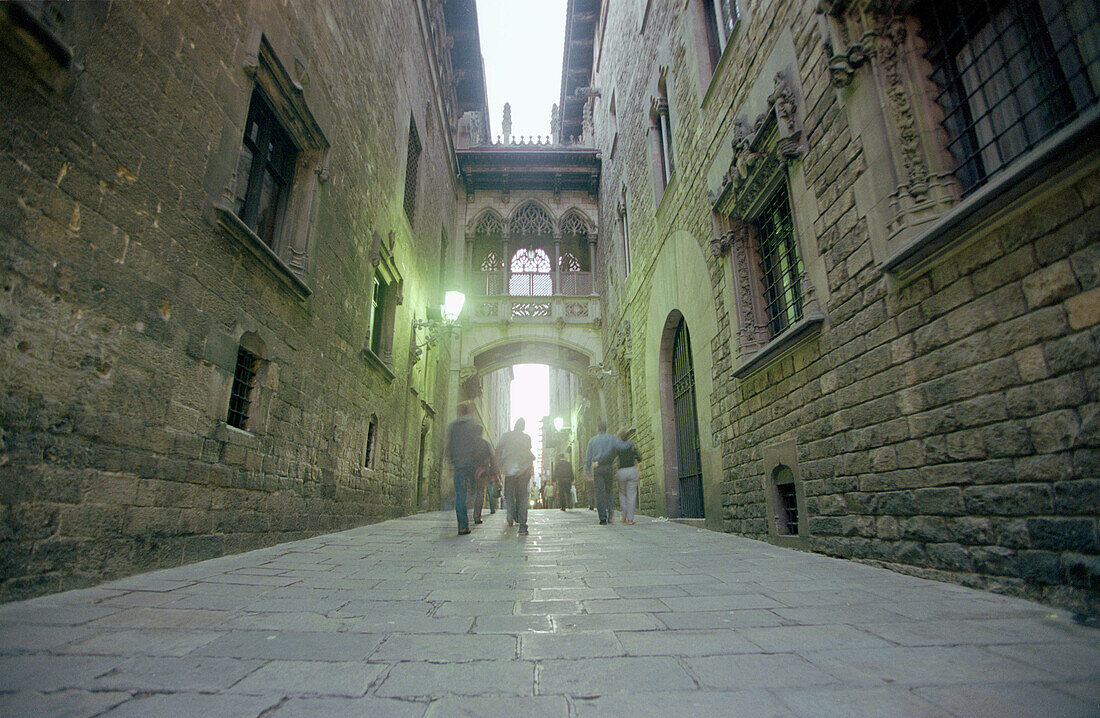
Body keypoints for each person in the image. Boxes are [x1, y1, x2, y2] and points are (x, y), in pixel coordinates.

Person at [445, 402, 482, 535]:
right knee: (472, 492)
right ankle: (468, 517)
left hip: (459, 464)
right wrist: (478, 466)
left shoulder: (453, 426)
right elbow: (477, 445)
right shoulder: (474, 425)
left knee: (460, 494)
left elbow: (450, 446)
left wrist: (451, 463)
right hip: (471, 464)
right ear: (469, 411)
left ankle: (462, 525)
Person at [584, 421, 629, 525]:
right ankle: (610, 515)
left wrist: (587, 470)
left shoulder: (592, 441)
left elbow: (588, 457)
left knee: (599, 493)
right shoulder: (613, 438)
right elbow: (621, 448)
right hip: (608, 467)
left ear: (598, 429)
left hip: (597, 468)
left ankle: (603, 518)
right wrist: (630, 443)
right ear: (606, 428)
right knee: (609, 491)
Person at [495, 418, 534, 536]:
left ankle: (511, 513)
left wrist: (499, 465)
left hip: (510, 470)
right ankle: (522, 527)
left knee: (509, 495)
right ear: (523, 427)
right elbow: (528, 453)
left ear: (515, 426)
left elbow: (498, 450)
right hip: (523, 471)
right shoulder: (527, 438)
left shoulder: (507, 436)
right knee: (522, 498)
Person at [469, 426, 497, 525]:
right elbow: (492, 458)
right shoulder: (485, 444)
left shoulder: (469, 443)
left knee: (469, 492)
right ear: (481, 433)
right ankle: (476, 516)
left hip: (469, 471)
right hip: (481, 472)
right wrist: (494, 472)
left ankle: (466, 514)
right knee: (480, 493)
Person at [614, 428, 642, 524]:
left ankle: (623, 516)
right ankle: (630, 519)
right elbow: (639, 457)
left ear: (620, 437)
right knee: (631, 495)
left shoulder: (617, 447)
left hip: (621, 471)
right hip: (632, 471)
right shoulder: (632, 444)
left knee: (622, 493)